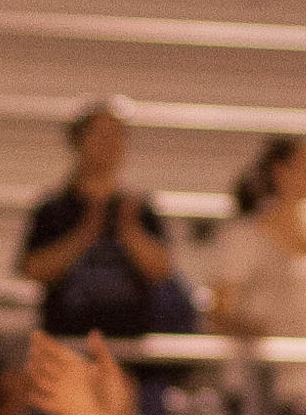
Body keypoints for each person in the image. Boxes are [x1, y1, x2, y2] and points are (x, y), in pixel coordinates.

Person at [205, 133, 306, 415]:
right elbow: (218, 312)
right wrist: (263, 330)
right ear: (281, 172)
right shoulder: (245, 236)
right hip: (261, 386)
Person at [19, 100, 184, 348]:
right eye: (100, 135)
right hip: (69, 340)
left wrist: (130, 232)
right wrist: (83, 235)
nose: (108, 144)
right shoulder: (54, 208)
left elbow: (162, 270)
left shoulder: (137, 209)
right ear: (78, 140)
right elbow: (33, 269)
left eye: (115, 136)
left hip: (128, 346)